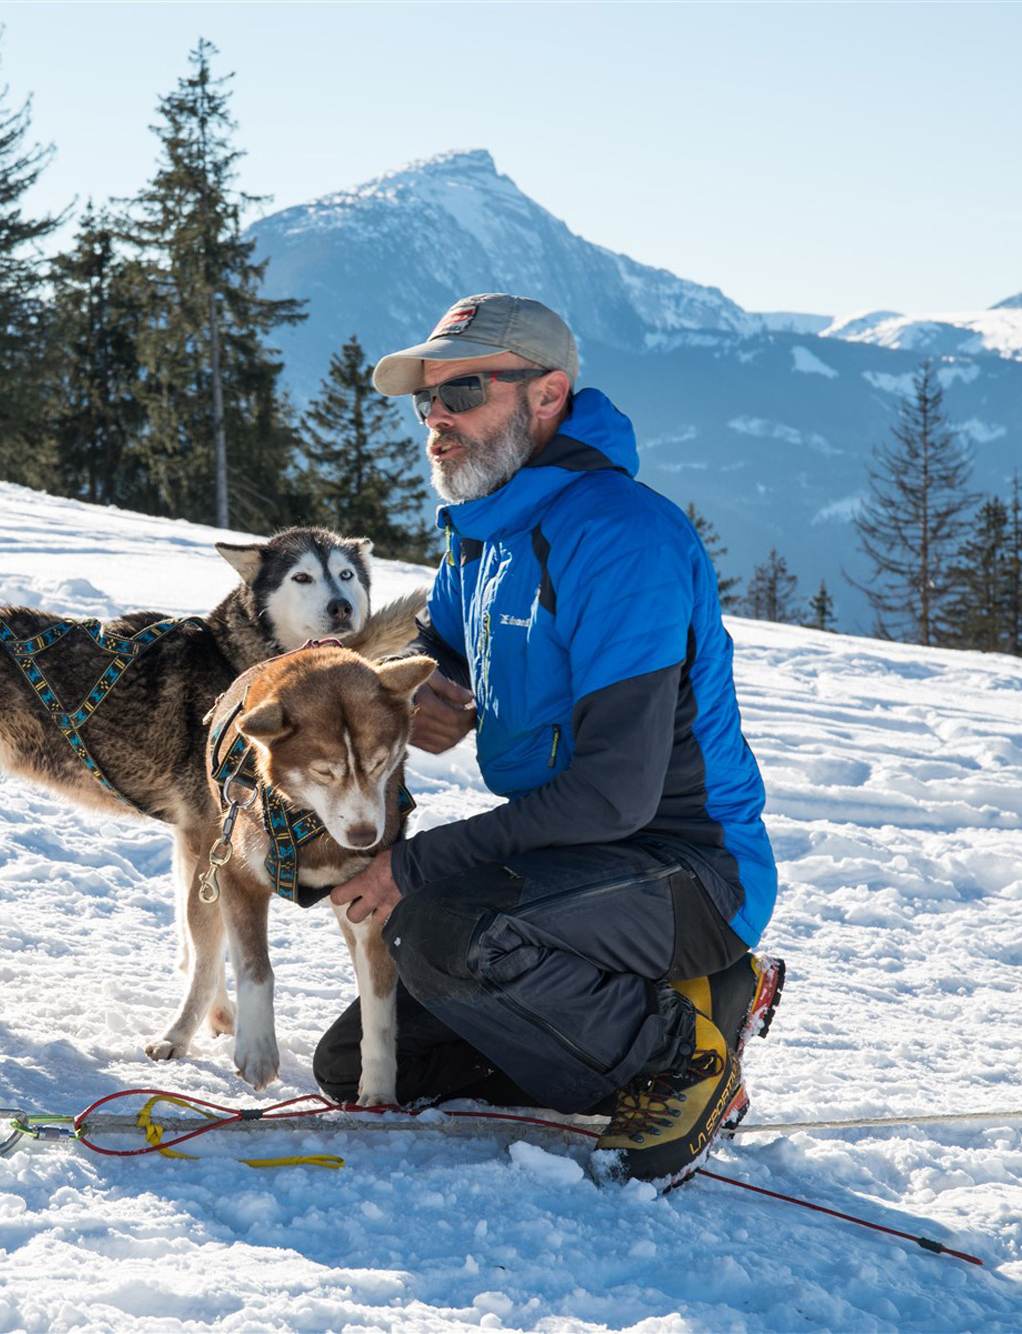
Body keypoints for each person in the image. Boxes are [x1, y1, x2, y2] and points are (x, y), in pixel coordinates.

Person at [320, 292, 783, 1189]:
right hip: (577, 859)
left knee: (452, 930)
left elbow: (617, 793)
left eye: (464, 391)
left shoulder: (622, 536)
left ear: (548, 395)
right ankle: (672, 1002)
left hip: (687, 869)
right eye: (426, 400)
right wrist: (430, 688)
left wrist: (412, 866)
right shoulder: (481, 527)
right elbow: (440, 645)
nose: (437, 420)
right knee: (361, 1068)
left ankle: (686, 1051)